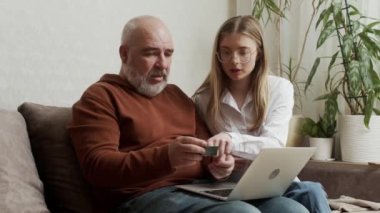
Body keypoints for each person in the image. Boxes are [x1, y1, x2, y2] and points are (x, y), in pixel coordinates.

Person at [68, 15, 309, 213]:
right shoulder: (101, 97)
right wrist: (167, 157)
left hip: (197, 190)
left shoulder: (177, 97)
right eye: (151, 53)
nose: (162, 63)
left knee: (290, 209)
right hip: (143, 197)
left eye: (169, 53)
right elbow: (96, 166)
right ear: (124, 54)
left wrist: (219, 164)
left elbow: (208, 150)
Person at [193, 15, 331, 213]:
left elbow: (274, 144)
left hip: (276, 183)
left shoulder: (279, 88)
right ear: (218, 55)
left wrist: (231, 141)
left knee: (312, 191)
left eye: (243, 52)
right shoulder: (204, 99)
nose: (234, 61)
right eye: (226, 52)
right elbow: (207, 148)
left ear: (258, 52)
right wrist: (219, 160)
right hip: (234, 186)